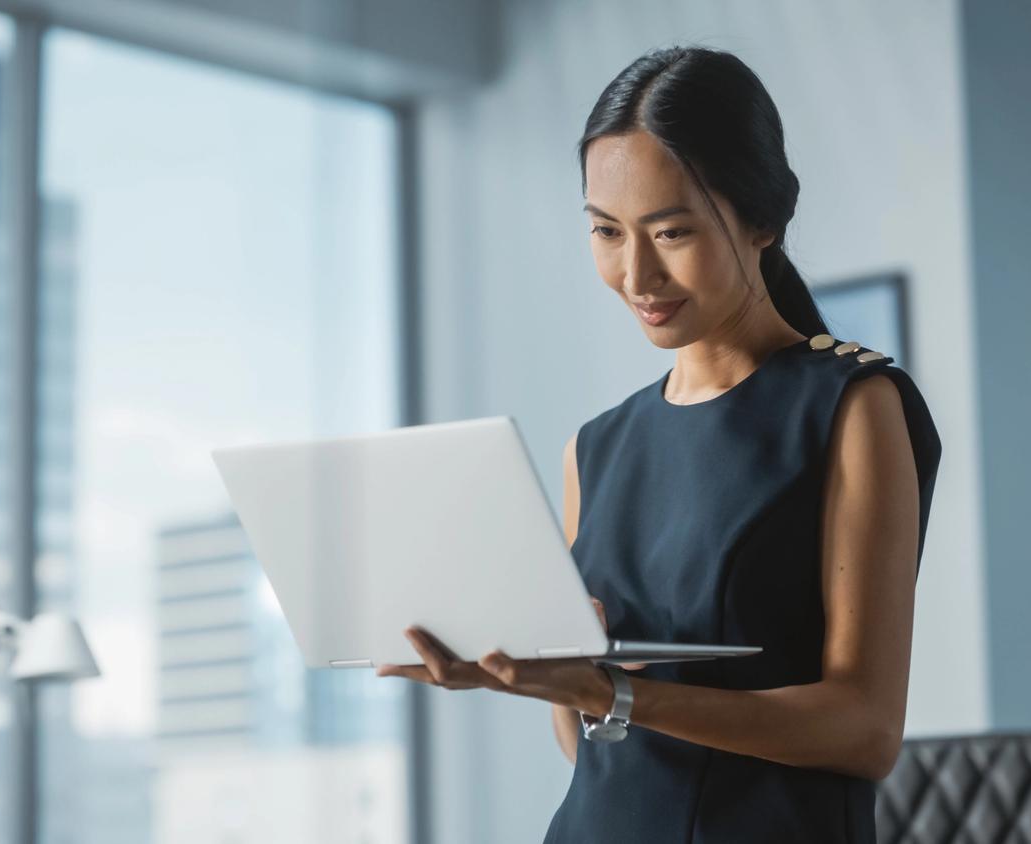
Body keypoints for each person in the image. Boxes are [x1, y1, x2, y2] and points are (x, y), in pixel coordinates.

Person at [376, 44, 941, 842]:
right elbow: (587, 744)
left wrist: (614, 693)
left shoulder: (852, 405)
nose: (636, 274)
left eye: (671, 232)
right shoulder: (597, 446)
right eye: (607, 231)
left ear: (763, 220)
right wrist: (546, 678)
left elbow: (864, 729)